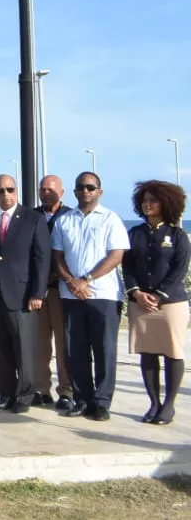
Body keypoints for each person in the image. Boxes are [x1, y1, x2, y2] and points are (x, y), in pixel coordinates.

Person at [0, 174, 51, 413]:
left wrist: (38, 293)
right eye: (0, 191)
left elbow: (41, 259)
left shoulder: (33, 219)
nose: (6, 194)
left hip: (23, 295)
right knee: (0, 349)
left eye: (10, 189)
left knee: (24, 349)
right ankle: (5, 394)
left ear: (17, 191)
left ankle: (24, 397)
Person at [52, 171, 128, 421]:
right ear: (74, 192)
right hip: (71, 295)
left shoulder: (111, 219)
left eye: (90, 187)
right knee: (75, 351)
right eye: (81, 187)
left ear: (99, 191)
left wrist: (88, 280)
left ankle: (102, 402)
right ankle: (82, 399)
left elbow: (116, 255)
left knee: (104, 350)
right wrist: (72, 281)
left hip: (103, 295)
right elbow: (58, 256)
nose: (86, 191)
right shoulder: (65, 221)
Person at [122, 180, 189, 425]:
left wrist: (159, 295)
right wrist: (137, 293)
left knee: (172, 352)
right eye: (145, 200)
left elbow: (179, 269)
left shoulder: (177, 235)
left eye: (153, 200)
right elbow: (126, 266)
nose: (147, 204)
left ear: (166, 203)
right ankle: (154, 403)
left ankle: (169, 405)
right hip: (140, 302)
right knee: (147, 353)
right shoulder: (135, 234)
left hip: (170, 305)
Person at [34, 174, 74, 410]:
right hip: (38, 291)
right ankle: (40, 389)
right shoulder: (31, 216)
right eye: (42, 189)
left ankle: (67, 391)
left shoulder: (70, 216)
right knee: (39, 344)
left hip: (62, 290)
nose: (46, 193)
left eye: (50, 189)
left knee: (64, 344)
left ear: (62, 190)